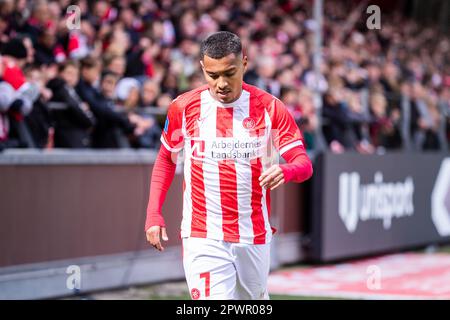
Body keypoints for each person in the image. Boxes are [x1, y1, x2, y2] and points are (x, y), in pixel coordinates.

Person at [144, 31, 313, 300]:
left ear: (244, 64)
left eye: (229, 73)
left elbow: (304, 164)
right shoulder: (184, 108)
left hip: (253, 233)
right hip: (202, 233)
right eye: (212, 75)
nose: (221, 83)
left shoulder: (270, 108)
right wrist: (154, 213)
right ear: (202, 68)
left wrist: (286, 169)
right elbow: (166, 159)